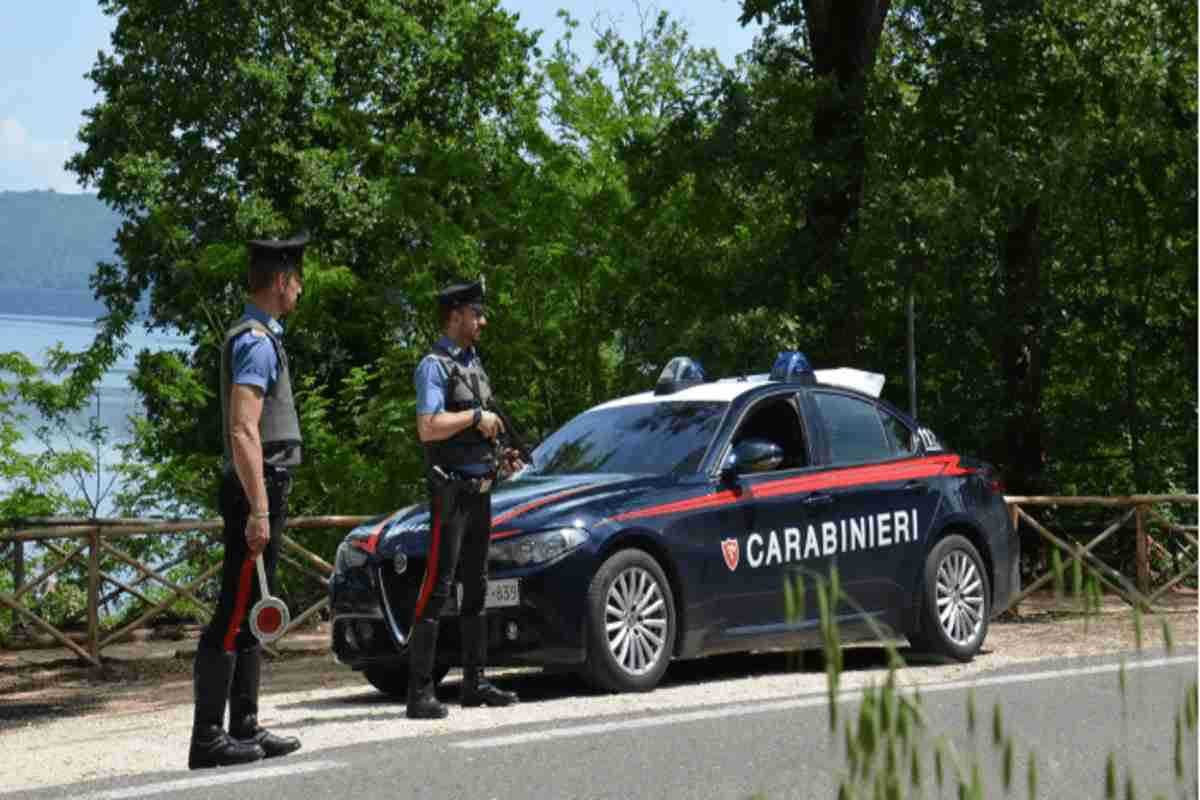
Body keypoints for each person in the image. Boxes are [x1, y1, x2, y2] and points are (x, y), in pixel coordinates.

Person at [188, 235, 308, 769]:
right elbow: (243, 429)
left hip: (264, 485)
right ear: (281, 282)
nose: (300, 288)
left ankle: (245, 725)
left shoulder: (262, 336)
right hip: (253, 488)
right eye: (297, 279)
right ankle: (209, 737)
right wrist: (258, 507)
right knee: (235, 608)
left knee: (254, 607)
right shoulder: (256, 340)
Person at [407, 279, 521, 719]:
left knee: (477, 587)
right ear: (456, 315)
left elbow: (478, 428)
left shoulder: (474, 363)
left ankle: (475, 682)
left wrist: (500, 456)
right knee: (437, 587)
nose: (483, 321)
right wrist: (475, 416)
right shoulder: (433, 367)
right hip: (450, 492)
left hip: (481, 490)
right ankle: (419, 693)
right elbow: (428, 426)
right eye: (477, 313)